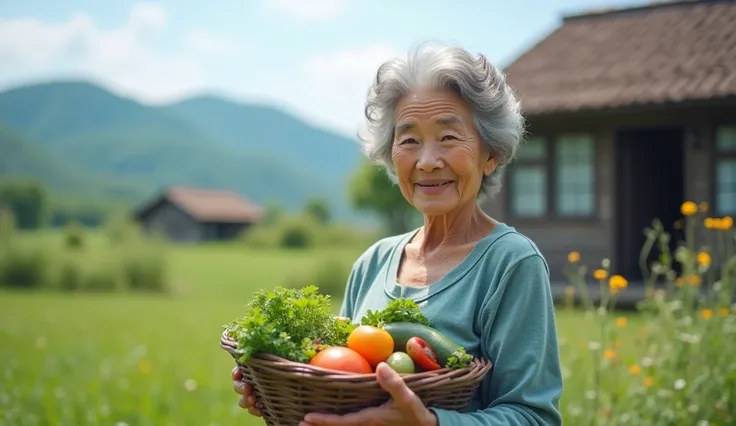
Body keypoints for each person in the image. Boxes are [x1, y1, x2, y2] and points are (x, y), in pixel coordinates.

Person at [232, 41, 564, 426]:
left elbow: (534, 417)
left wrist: (430, 423)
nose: (426, 161)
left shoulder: (511, 264)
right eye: (408, 140)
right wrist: (286, 390)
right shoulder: (373, 262)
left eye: (449, 137)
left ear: (491, 154)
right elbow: (343, 382)